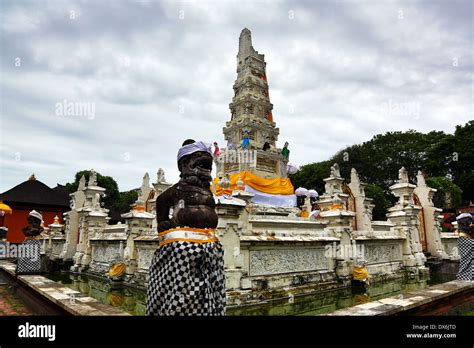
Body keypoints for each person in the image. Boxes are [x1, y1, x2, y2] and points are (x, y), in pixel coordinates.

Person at [146, 139, 225, 316]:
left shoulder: (208, 190)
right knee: (182, 292)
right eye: (199, 164)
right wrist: (162, 223)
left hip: (209, 244)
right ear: (183, 165)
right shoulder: (177, 190)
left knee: (210, 290)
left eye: (207, 167)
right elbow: (160, 201)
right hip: (182, 246)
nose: (205, 170)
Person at [16, 210, 43, 274]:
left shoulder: (36, 229)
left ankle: (26, 269)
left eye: (30, 218)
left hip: (33, 243)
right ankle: (25, 269)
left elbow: (34, 235)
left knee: (29, 257)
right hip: (30, 243)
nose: (29, 221)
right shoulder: (32, 228)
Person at [456, 212, 473, 281]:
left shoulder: (468, 237)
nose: (471, 224)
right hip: (467, 275)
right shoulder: (463, 238)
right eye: (469, 222)